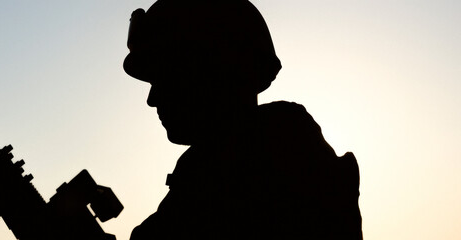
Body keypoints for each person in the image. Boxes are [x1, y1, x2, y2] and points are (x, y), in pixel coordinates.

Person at [123, 0, 362, 239]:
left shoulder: (264, 160)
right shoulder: (213, 165)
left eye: (166, 79)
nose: (152, 99)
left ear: (215, 70)